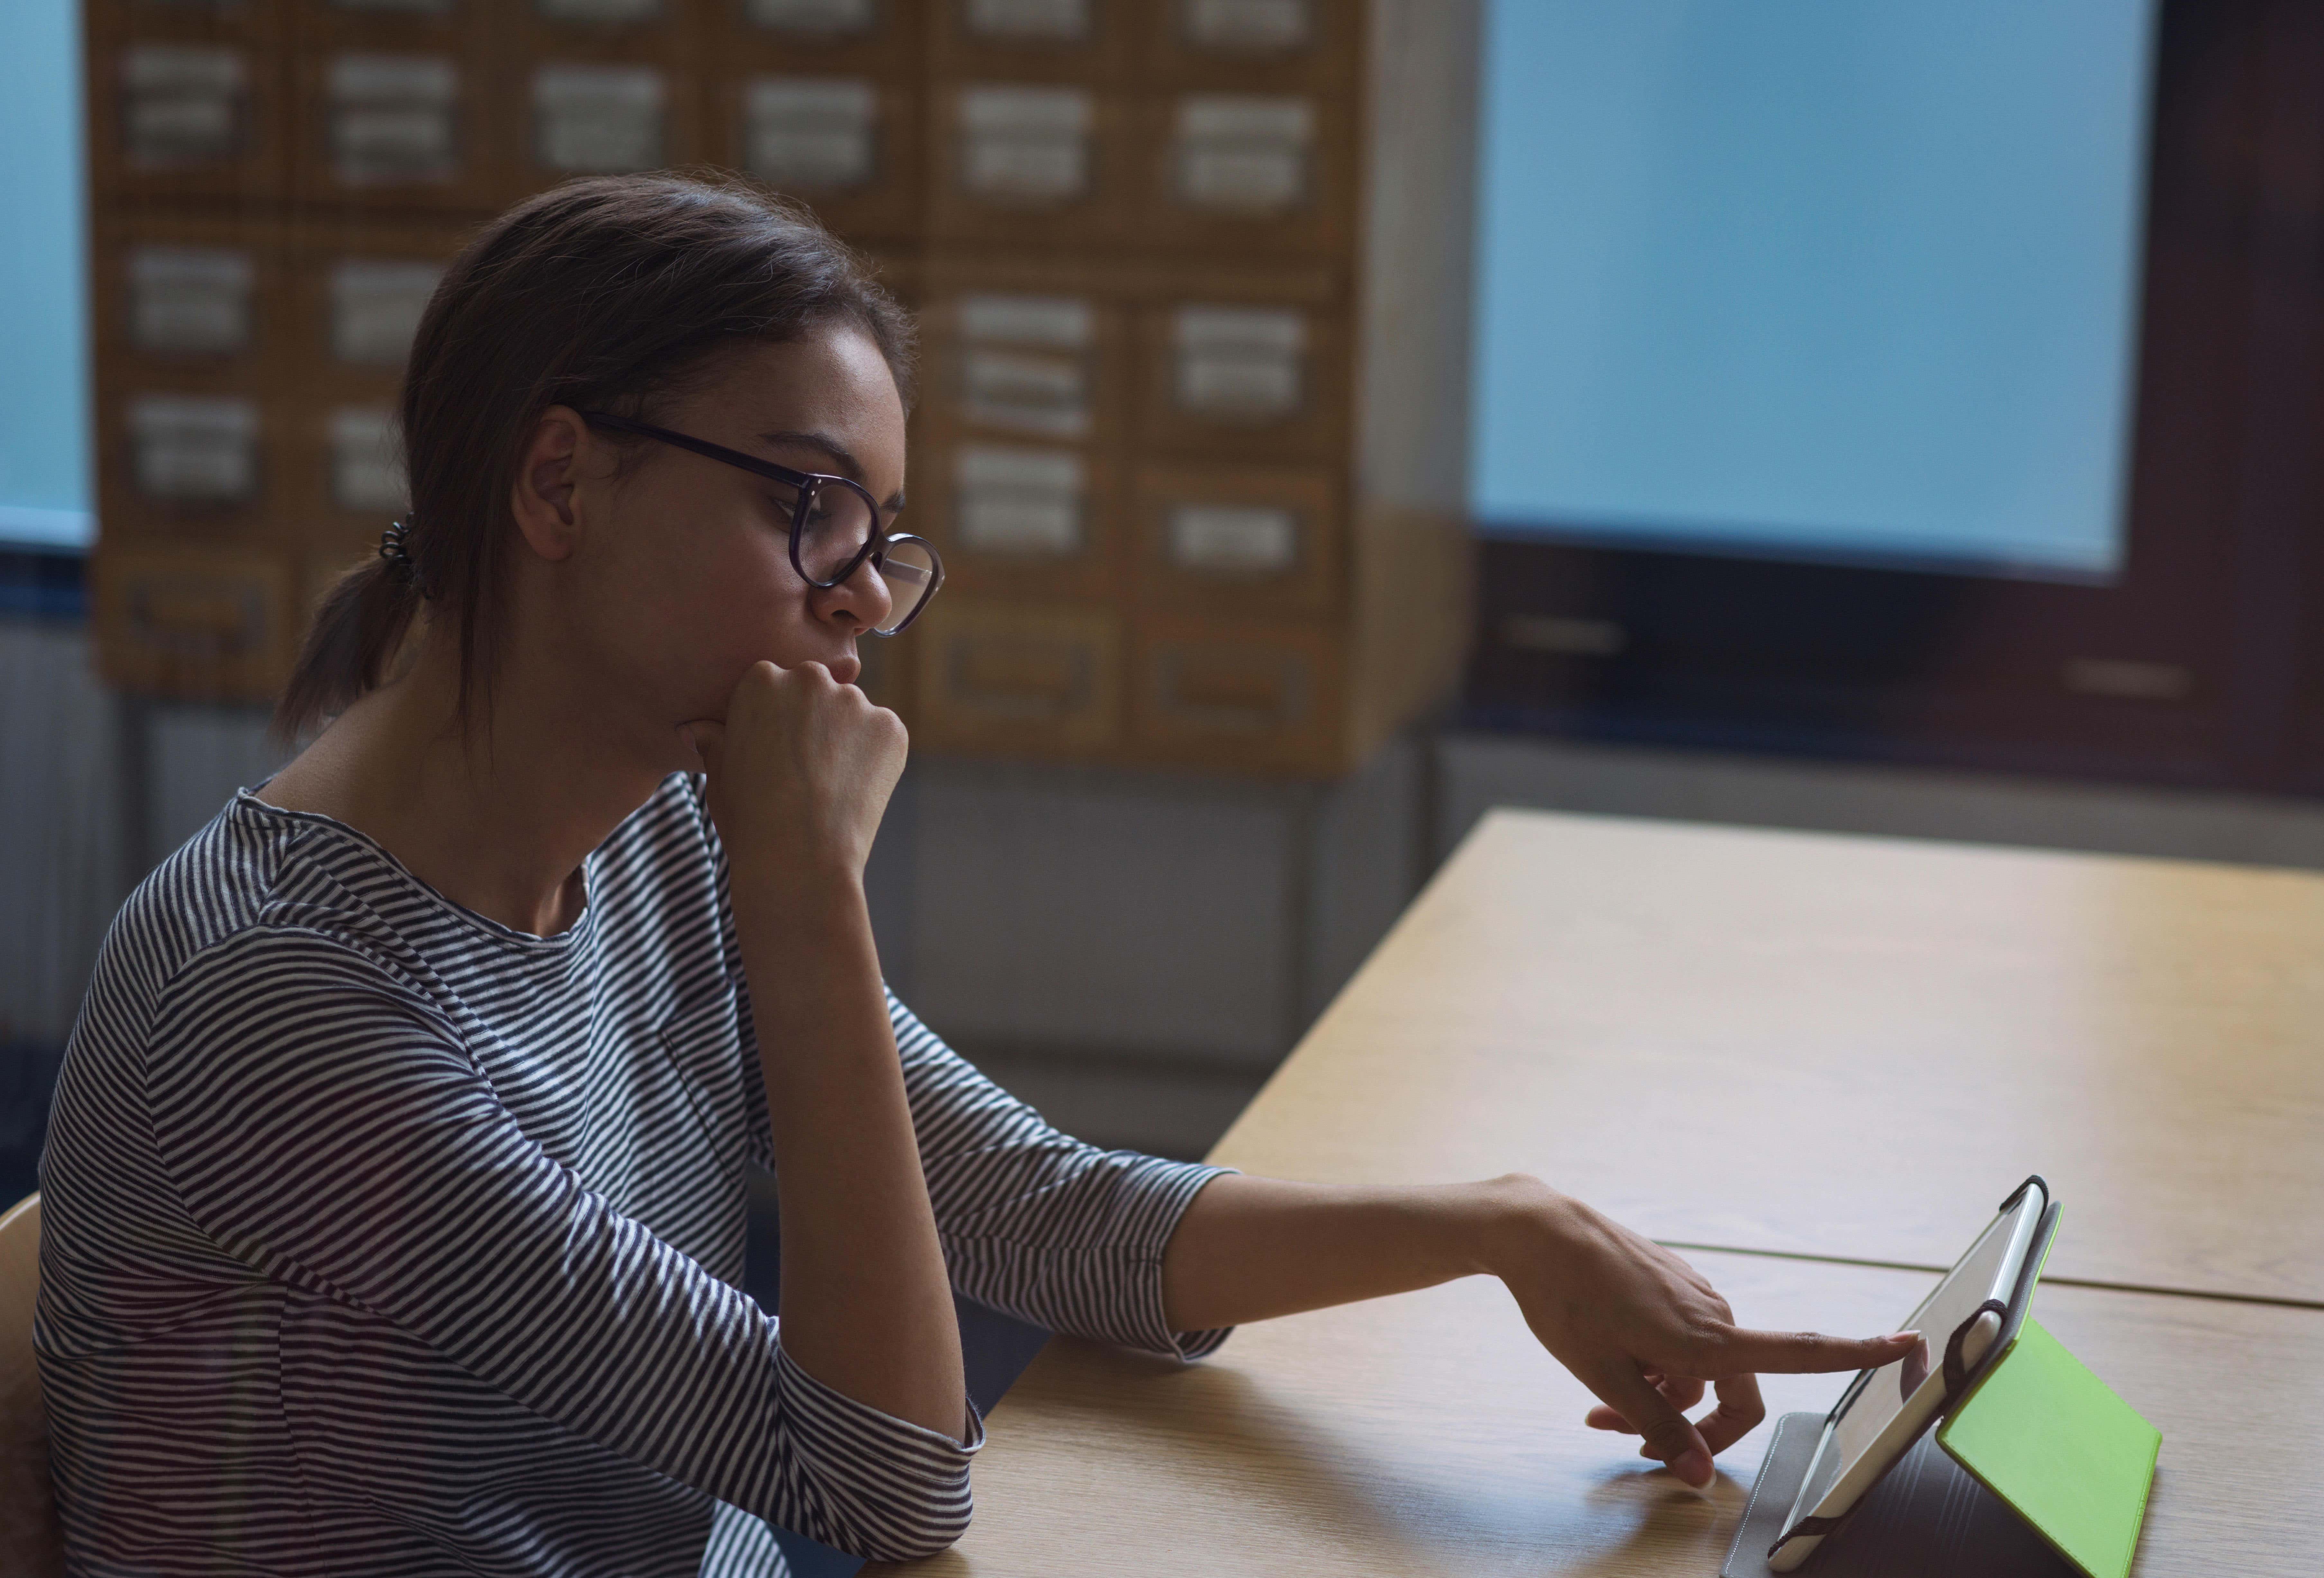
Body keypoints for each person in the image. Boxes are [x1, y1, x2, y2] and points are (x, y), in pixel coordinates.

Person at [34, 173, 1914, 1576]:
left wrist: (1504, 1227)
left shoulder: (650, 842)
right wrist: (809, 904)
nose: (860, 597)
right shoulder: (289, 1002)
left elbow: (1049, 1219)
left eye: (880, 536)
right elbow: (880, 1475)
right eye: (808, 508)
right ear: (557, 486)